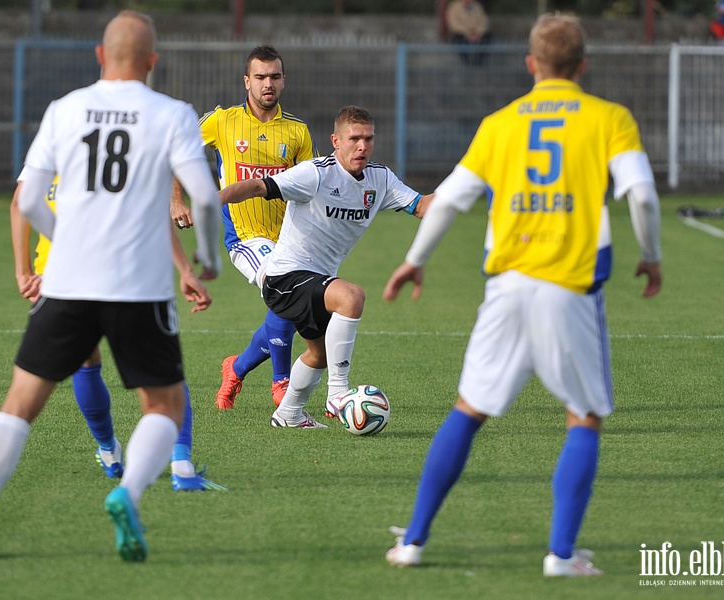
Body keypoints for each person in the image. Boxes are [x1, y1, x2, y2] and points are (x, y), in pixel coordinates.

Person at [0, 10, 222, 562]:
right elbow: (205, 199)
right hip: (138, 286)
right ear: (152, 62)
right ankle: (128, 493)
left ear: (99, 55)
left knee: (17, 406)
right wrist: (204, 258)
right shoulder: (173, 114)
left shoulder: (64, 110)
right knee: (162, 405)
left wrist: (63, 238)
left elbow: (26, 198)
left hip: (67, 282)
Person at [382, 14, 662, 576]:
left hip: (505, 289)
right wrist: (650, 255)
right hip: (569, 289)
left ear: (530, 64)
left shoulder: (500, 123)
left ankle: (412, 542)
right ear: (582, 66)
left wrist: (414, 261)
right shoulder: (609, 118)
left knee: (469, 409)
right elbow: (643, 196)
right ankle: (560, 554)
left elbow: (454, 198)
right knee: (582, 416)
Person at [218, 105, 432, 428]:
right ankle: (338, 394)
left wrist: (462, 190)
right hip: (283, 276)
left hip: (315, 280)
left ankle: (289, 414)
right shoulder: (316, 174)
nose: (362, 146)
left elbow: (420, 206)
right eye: (354, 139)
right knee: (351, 296)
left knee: (317, 355)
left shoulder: (380, 180)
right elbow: (259, 187)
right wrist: (212, 201)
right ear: (335, 140)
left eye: (368, 139)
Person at [10, 181, 225, 492]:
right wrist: (186, 270)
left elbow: (21, 202)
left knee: (82, 364)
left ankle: (109, 452)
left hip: (57, 277)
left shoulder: (55, 145)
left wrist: (23, 273)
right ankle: (181, 466)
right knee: (164, 376)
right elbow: (153, 209)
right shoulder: (129, 145)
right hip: (127, 273)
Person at [170, 45, 317, 411]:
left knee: (291, 306)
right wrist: (176, 200)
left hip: (292, 239)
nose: (268, 84)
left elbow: (310, 187)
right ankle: (281, 385)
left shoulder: (298, 132)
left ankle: (235, 368)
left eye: (275, 77)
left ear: (283, 80)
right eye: (261, 77)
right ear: (246, 81)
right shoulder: (222, 121)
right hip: (245, 238)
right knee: (286, 288)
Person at [445, 0, 492, 66]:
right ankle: (466, 62)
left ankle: (479, 61)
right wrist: (467, 33)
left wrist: (478, 32)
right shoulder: (454, 7)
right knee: (459, 40)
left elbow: (484, 21)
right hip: (461, 33)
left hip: (476, 33)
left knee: (488, 38)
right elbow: (453, 23)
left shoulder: (477, 6)